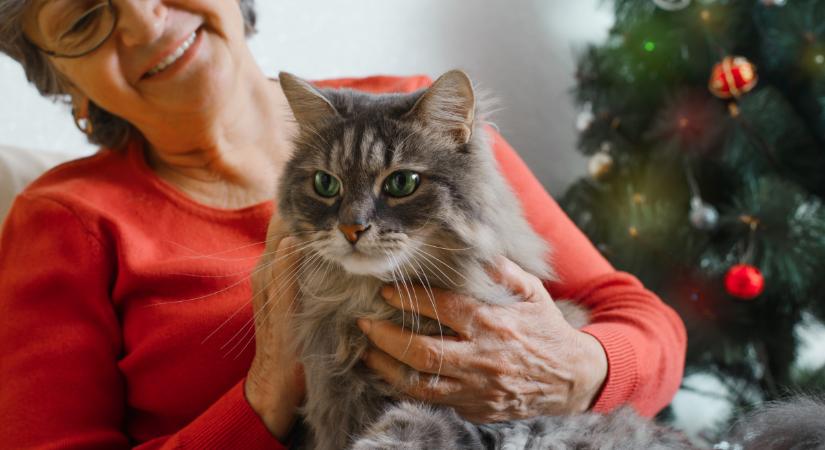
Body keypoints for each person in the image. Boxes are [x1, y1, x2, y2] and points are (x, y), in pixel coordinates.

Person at [0, 0, 687, 448]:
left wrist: (569, 370)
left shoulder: (418, 117)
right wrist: (267, 389)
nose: (144, 21)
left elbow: (639, 320)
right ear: (62, 80)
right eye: (85, 18)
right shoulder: (66, 222)